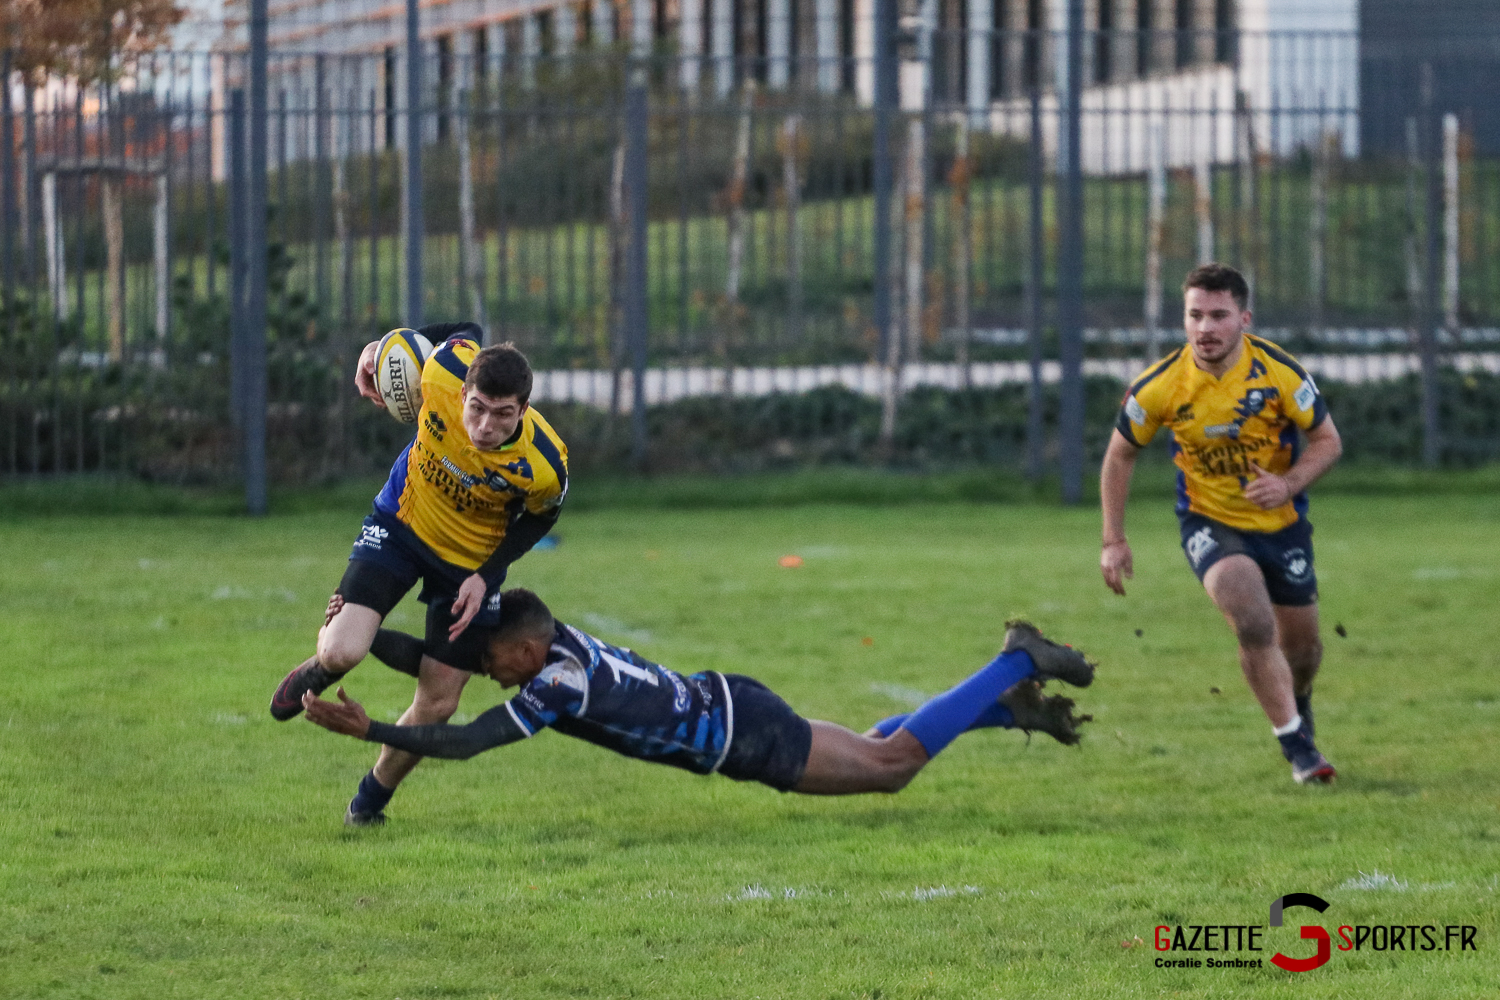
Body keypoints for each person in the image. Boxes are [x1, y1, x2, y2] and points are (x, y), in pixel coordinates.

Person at [301, 590, 1096, 802]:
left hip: (742, 736)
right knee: (868, 744)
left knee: (892, 765)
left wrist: (370, 726)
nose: (488, 671)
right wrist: (363, 637)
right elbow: (449, 661)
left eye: (496, 662)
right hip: (734, 707)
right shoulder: (553, 645)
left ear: (525, 651)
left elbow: (470, 740)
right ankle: (1005, 708)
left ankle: (1011, 668)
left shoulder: (558, 682)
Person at [269, 321, 570, 825]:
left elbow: (543, 515)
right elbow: (464, 329)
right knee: (342, 649)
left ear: (523, 409)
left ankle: (368, 803)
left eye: (503, 415)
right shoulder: (443, 371)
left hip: (470, 565)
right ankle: (326, 663)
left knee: (439, 701)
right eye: (476, 408)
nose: (484, 426)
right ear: (464, 391)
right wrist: (377, 348)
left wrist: (487, 573)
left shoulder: (544, 462)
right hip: (401, 525)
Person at [1099, 263, 1343, 784]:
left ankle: (1298, 701)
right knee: (1252, 619)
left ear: (1243, 319)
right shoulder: (1160, 386)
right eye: (1194, 315)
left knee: (1303, 650)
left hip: (1282, 524)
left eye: (1218, 315)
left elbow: (1328, 441)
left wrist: (1288, 484)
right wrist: (1114, 540)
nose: (1205, 328)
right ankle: (1298, 749)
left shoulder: (1279, 372)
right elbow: (1119, 456)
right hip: (1208, 522)